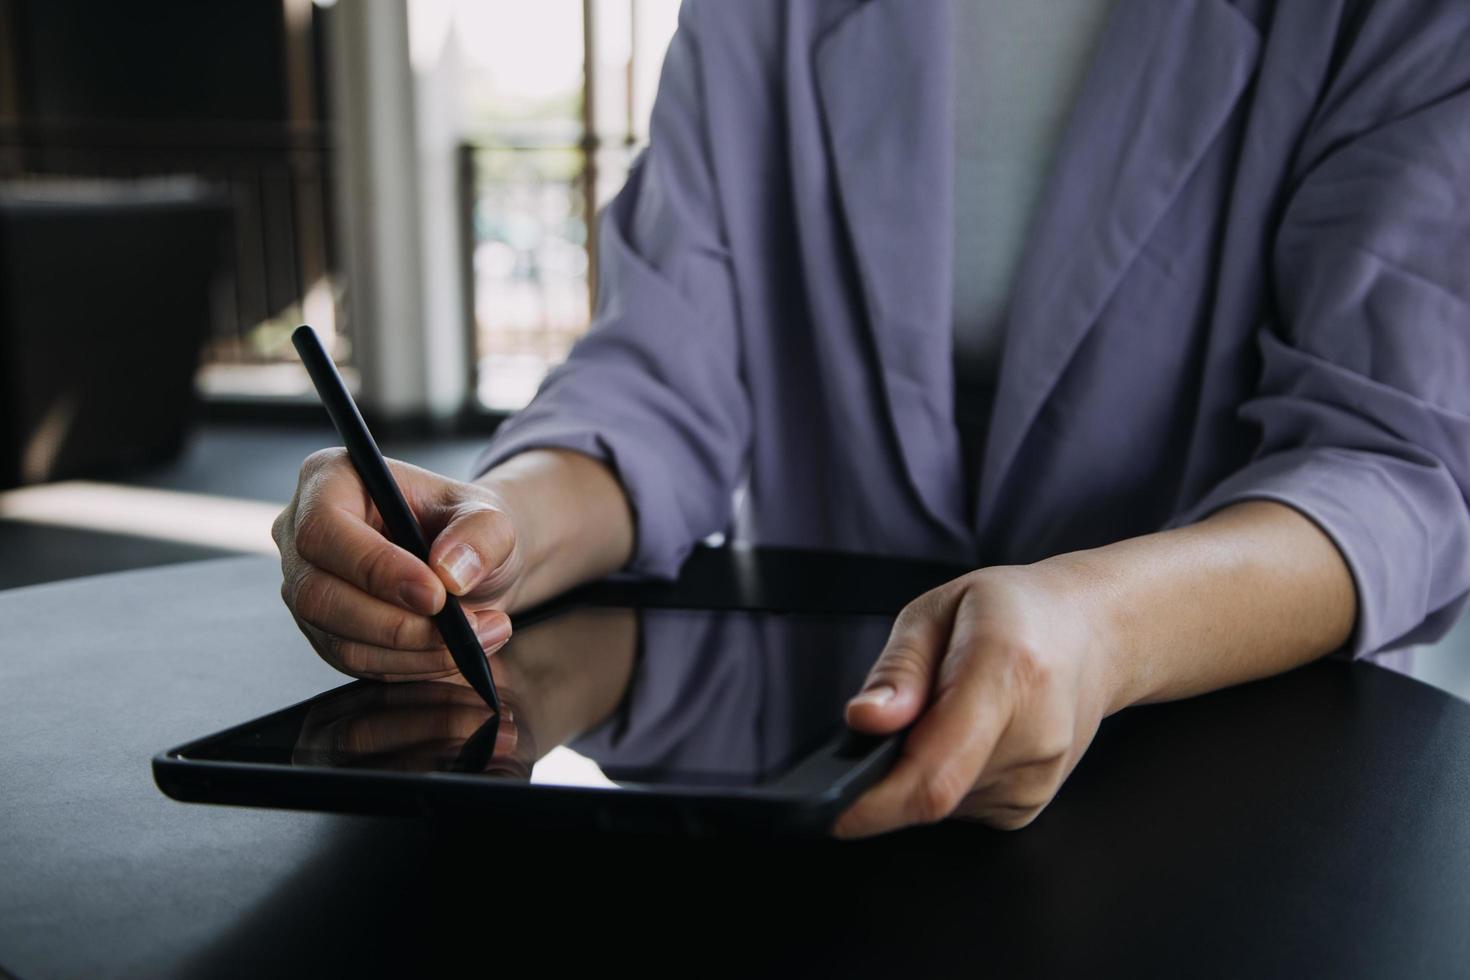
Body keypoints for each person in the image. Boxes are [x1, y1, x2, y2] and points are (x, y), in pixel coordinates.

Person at [272, 0, 1470, 838]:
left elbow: (1391, 457)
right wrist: (498, 523)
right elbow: (661, 371)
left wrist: (1106, 627)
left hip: (1247, 782)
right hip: (821, 761)